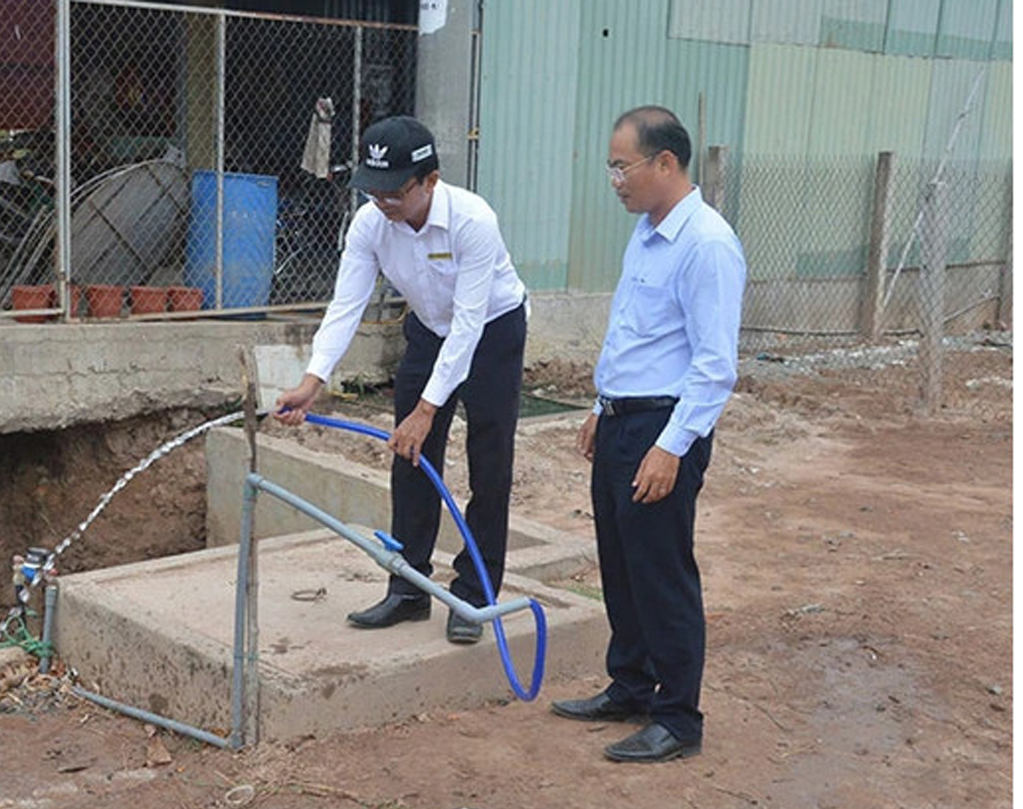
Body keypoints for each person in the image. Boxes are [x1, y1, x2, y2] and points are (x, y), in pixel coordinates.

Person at [273, 115, 529, 645]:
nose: (382, 202)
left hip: (491, 332)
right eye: (372, 190)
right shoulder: (370, 224)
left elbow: (469, 325)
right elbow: (346, 305)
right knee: (409, 459)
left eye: (394, 192)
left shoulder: (472, 221)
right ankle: (408, 588)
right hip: (428, 331)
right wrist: (312, 380)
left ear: (430, 181)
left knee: (490, 463)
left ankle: (475, 595)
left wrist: (428, 409)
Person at [549, 106, 745, 762]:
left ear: (665, 163)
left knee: (661, 573)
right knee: (622, 565)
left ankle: (678, 719)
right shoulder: (647, 228)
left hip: (665, 427)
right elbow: (637, 329)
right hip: (623, 421)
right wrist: (602, 405)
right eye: (612, 165)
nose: (614, 179)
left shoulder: (707, 244)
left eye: (621, 165)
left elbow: (715, 365)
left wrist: (671, 444)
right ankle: (630, 686)